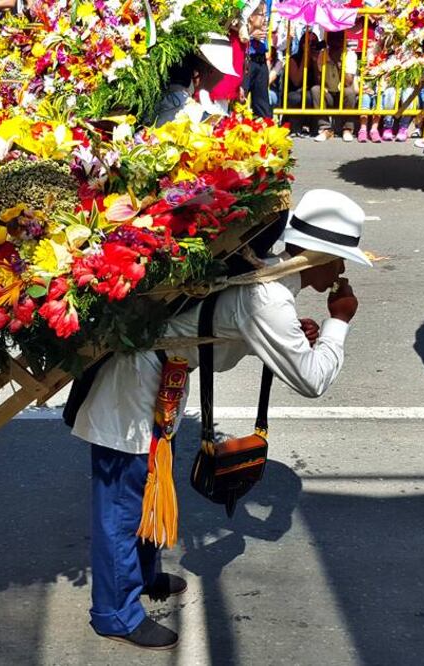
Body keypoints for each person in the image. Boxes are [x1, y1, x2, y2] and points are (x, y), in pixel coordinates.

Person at [70, 189, 371, 650]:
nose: (342, 271)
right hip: (131, 385)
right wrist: (339, 323)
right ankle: (115, 613)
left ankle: (143, 575)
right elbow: (312, 380)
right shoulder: (267, 298)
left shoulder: (265, 276)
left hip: (158, 379)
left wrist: (291, 336)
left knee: (151, 483)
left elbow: (226, 327)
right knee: (122, 501)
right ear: (320, 257)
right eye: (340, 260)